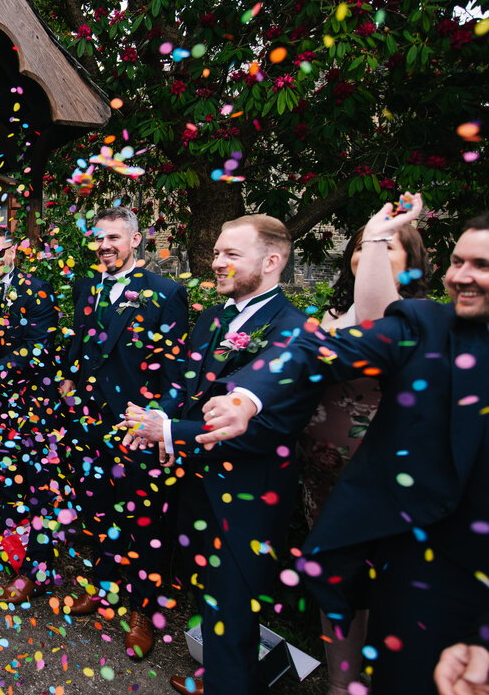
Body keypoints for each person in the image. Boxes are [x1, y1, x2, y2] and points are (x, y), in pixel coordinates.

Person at [201, 212, 489, 695]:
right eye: (457, 262)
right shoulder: (425, 325)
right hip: (415, 570)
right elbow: (314, 350)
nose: (460, 276)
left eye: (480, 265)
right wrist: (248, 396)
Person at [121, 214, 322, 695]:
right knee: (212, 606)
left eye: (231, 254)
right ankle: (219, 679)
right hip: (197, 489)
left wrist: (171, 430)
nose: (217, 263)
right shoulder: (214, 319)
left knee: (234, 612)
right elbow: (190, 392)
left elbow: (270, 429)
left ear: (272, 261)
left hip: (246, 502)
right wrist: (157, 426)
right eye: (216, 253)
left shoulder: (295, 331)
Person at [300, 192, 429, 695]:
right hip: (323, 483)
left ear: (411, 262)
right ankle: (341, 683)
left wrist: (380, 230)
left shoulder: (417, 323)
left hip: (380, 486)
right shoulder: (335, 318)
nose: (363, 255)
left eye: (379, 248)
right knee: (336, 587)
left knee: (384, 594)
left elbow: (378, 324)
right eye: (358, 248)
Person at [58, 206, 188, 656]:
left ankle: (143, 612)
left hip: (137, 430)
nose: (106, 246)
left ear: (136, 241)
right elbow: (79, 339)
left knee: (144, 522)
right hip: (89, 425)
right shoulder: (88, 285)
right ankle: (105, 589)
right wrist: (68, 376)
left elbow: (175, 375)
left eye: (114, 237)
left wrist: (157, 421)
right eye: (100, 238)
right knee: (98, 513)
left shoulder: (166, 292)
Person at [0, 226, 63, 607]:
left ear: (14, 252)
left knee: (37, 490)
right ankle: (12, 557)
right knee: (4, 484)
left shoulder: (37, 289)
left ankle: (38, 573)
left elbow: (38, 349)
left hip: (31, 407)